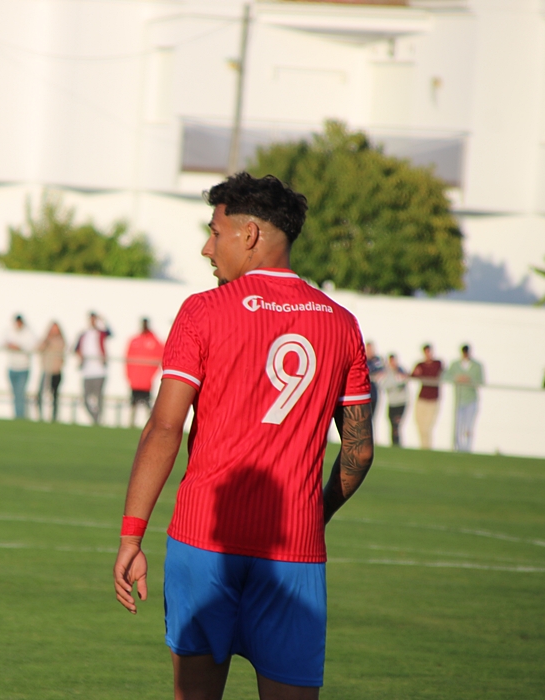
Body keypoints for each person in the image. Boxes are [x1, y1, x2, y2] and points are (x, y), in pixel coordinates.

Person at [114, 173, 374, 700]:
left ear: (249, 235)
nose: (207, 247)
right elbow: (358, 451)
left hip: (203, 541)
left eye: (215, 231)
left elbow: (165, 427)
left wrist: (131, 536)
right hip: (294, 553)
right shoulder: (342, 324)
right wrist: (313, 514)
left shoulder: (204, 312)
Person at [443, 345, 485, 453]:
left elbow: (481, 381)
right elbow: (445, 376)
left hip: (471, 400)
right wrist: (456, 378)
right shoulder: (455, 365)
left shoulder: (477, 366)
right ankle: (459, 448)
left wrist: (469, 380)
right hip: (459, 399)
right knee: (458, 426)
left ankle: (467, 449)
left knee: (468, 426)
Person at [125, 318, 164, 428]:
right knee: (133, 403)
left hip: (146, 381)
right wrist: (129, 376)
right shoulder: (134, 340)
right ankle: (131, 424)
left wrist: (152, 374)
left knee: (147, 404)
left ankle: (151, 425)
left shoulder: (154, 341)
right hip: (135, 380)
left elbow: (162, 355)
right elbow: (128, 358)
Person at [76, 312, 112, 425]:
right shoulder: (83, 334)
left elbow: (110, 332)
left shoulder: (100, 333)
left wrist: (103, 320)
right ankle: (95, 418)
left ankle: (99, 420)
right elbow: (76, 348)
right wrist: (80, 357)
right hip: (87, 371)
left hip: (99, 371)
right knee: (86, 398)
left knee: (98, 397)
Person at [410, 344, 443, 449]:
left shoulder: (438, 364)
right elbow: (413, 375)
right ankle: (423, 446)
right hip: (422, 398)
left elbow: (437, 375)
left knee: (427, 426)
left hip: (433, 400)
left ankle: (427, 447)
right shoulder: (420, 364)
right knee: (419, 423)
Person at [4, 314, 36, 419]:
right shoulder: (10, 332)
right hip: (12, 368)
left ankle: (20, 417)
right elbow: (0, 342)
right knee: (15, 394)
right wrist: (8, 345)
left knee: (20, 393)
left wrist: (19, 347)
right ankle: (18, 415)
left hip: (23, 368)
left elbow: (32, 347)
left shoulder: (28, 333)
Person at [36, 321, 66, 422]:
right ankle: (40, 416)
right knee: (40, 394)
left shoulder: (61, 340)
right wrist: (47, 341)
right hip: (46, 370)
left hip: (56, 372)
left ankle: (54, 417)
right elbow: (38, 349)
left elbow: (61, 350)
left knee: (55, 396)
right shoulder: (46, 340)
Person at [380, 353, 410, 447]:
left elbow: (402, 382)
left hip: (401, 402)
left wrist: (394, 385)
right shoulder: (387, 373)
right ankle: (393, 443)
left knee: (397, 423)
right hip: (392, 403)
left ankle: (397, 443)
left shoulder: (400, 371)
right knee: (392, 423)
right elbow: (384, 385)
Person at [365, 341, 385, 418]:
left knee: (372, 416)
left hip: (373, 393)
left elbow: (381, 372)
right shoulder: (362, 359)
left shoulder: (377, 360)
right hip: (364, 393)